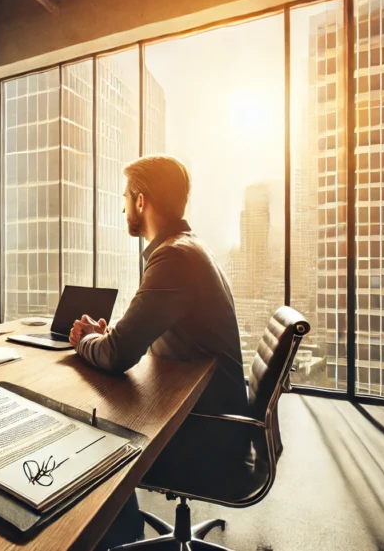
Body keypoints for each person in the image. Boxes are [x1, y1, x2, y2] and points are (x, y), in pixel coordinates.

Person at [71, 155, 251, 550]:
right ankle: (124, 530)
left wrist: (84, 340)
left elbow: (118, 356)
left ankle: (118, 538)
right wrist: (110, 336)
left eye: (125, 197)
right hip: (220, 417)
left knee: (91, 430)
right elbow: (148, 332)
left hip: (210, 433)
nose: (122, 207)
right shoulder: (188, 248)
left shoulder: (173, 257)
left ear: (141, 200)